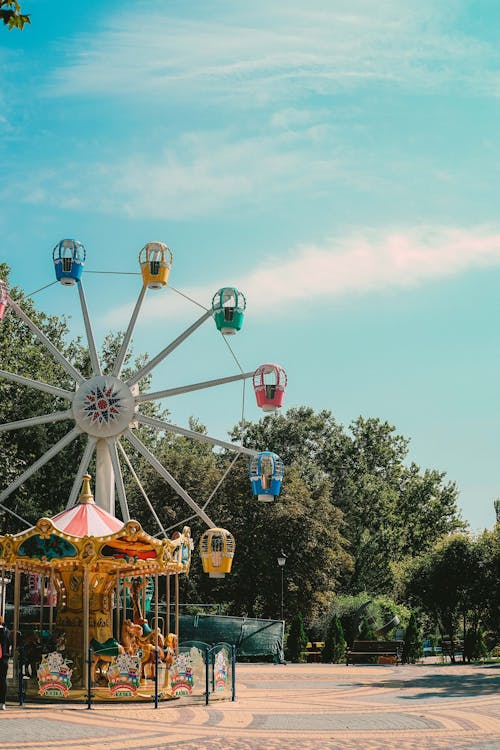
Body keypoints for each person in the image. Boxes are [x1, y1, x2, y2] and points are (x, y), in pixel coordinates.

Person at [0, 615, 12, 709]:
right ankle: (2, 702)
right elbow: (10, 645)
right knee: (3, 679)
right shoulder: (7, 631)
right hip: (4, 659)